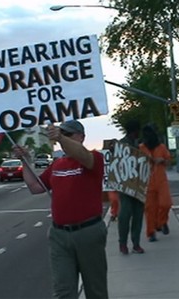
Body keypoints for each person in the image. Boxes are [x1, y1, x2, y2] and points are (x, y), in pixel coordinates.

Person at [13, 120, 108, 299]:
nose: (62, 138)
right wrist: (25, 161)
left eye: (68, 134)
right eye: (61, 134)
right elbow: (36, 187)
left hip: (88, 232)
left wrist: (61, 138)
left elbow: (83, 156)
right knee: (63, 291)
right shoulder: (57, 164)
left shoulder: (94, 159)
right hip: (59, 235)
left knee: (96, 290)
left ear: (81, 137)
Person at [115, 119, 145, 255]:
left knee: (138, 215)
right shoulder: (121, 144)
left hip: (139, 185)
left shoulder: (140, 145)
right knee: (125, 214)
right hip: (125, 185)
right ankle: (123, 243)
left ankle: (136, 243)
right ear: (134, 131)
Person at [139, 124, 173, 242]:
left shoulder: (161, 147)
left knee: (166, 204)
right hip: (147, 182)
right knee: (150, 208)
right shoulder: (141, 148)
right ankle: (151, 232)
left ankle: (161, 222)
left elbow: (169, 162)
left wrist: (162, 160)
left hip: (161, 180)